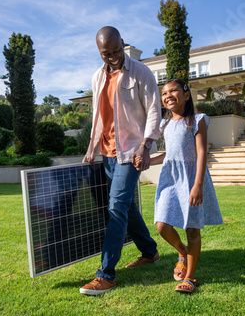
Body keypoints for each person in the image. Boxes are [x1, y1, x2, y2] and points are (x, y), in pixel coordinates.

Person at [80, 26, 162, 295]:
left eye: (116, 50)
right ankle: (150, 252)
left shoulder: (140, 72)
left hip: (131, 152)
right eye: (106, 53)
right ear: (99, 52)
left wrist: (147, 145)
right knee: (126, 207)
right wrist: (91, 148)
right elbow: (98, 116)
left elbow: (153, 110)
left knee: (115, 208)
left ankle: (106, 275)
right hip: (107, 153)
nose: (113, 56)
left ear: (123, 44)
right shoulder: (97, 77)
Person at [133, 79, 223, 293]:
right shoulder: (165, 124)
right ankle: (182, 252)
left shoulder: (197, 120)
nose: (168, 95)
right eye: (164, 93)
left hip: (192, 177)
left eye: (173, 91)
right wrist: (148, 160)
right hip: (171, 179)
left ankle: (190, 277)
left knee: (192, 229)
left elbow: (202, 152)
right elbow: (169, 154)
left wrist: (198, 184)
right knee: (161, 225)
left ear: (186, 95)